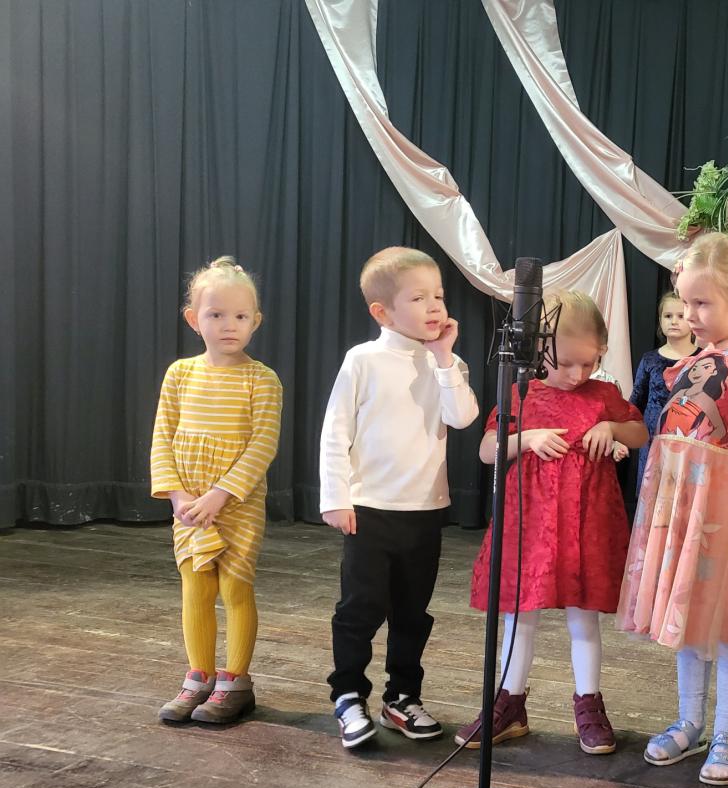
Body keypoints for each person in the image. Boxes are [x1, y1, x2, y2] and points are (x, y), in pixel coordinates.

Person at [618, 231, 728, 787]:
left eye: (702, 303)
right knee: (689, 612)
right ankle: (690, 720)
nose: (690, 315)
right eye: (685, 302)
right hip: (676, 502)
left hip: (725, 506)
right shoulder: (688, 363)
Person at [458, 290, 647, 755]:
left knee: (584, 617)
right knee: (520, 615)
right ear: (541, 351)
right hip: (532, 523)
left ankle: (589, 703)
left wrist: (611, 428)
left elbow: (640, 432)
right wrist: (527, 437)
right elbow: (487, 450)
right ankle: (509, 702)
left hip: (586, 524)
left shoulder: (604, 395)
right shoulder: (523, 394)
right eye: (565, 364)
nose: (578, 374)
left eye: (589, 363)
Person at [319, 247, 479, 749]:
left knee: (413, 613)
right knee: (360, 609)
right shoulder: (363, 360)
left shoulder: (447, 363)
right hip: (369, 510)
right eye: (418, 297)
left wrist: (444, 359)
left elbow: (463, 417)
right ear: (382, 311)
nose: (434, 306)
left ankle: (402, 697)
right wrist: (335, 496)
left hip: (424, 511)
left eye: (439, 296)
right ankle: (348, 695)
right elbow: (335, 431)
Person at [152, 256, 282, 725]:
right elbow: (162, 437)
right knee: (196, 585)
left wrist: (220, 495)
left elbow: (262, 445)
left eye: (241, 316)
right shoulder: (180, 374)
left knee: (234, 585)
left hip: (236, 505)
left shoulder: (261, 379)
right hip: (189, 505)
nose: (230, 325)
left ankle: (235, 681)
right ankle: (199, 677)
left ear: (255, 321)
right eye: (217, 314)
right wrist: (179, 497)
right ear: (194, 319)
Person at [629, 291, 699, 492]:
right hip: (653, 441)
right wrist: (623, 439)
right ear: (660, 320)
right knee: (651, 494)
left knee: (683, 495)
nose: (674, 321)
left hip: (689, 441)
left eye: (681, 316)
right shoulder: (650, 360)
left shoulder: (703, 360)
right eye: (668, 316)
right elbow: (636, 402)